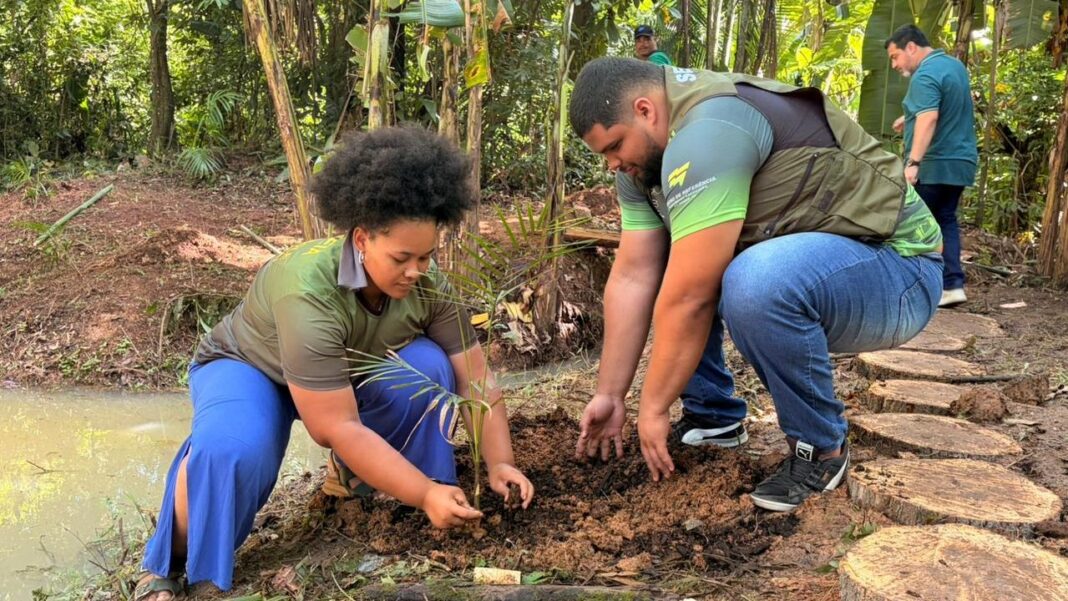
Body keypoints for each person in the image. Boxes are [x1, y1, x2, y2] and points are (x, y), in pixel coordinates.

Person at [134, 126, 534, 600]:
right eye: (402, 257)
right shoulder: (308, 289)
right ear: (361, 239)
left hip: (338, 376)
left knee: (428, 368)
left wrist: (499, 463)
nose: (416, 271)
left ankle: (367, 485)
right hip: (252, 369)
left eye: (426, 256)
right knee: (234, 450)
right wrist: (426, 494)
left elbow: (476, 378)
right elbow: (335, 426)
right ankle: (168, 564)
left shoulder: (427, 284)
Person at [569, 58, 943, 512]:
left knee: (749, 281)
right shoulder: (643, 166)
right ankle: (714, 416)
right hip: (821, 267)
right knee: (684, 256)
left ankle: (820, 449)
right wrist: (610, 394)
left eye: (614, 146)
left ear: (645, 110)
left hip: (898, 270)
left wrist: (652, 407)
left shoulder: (710, 130)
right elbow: (634, 275)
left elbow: (690, 297)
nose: (612, 164)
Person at [887, 24, 978, 308]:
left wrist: (913, 162)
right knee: (945, 219)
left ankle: (912, 289)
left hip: (934, 163)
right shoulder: (953, 66)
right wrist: (909, 118)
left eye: (895, 56)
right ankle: (952, 285)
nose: (894, 64)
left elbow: (930, 118)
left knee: (910, 224)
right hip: (959, 161)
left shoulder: (924, 73)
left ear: (911, 47)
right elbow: (947, 106)